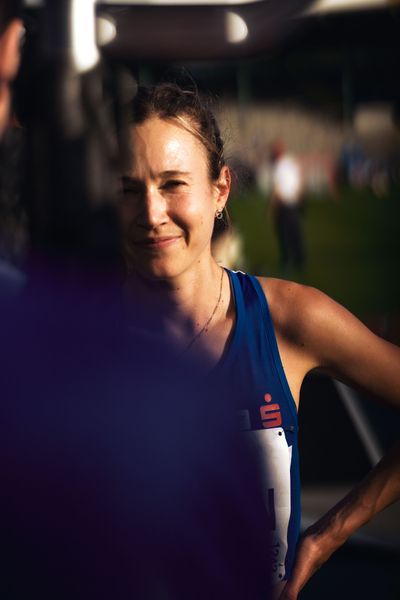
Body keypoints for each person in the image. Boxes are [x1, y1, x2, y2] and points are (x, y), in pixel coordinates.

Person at [119, 83, 400, 599]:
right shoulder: (71, 338)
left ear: (220, 190)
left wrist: (328, 535)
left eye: (173, 184)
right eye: (129, 188)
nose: (151, 211)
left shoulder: (290, 320)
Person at [270, 140, 305, 272]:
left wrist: (272, 208)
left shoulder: (279, 166)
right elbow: (299, 179)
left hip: (284, 204)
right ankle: (300, 260)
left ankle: (287, 261)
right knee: (295, 232)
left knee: (284, 234)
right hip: (293, 202)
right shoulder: (291, 163)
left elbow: (277, 189)